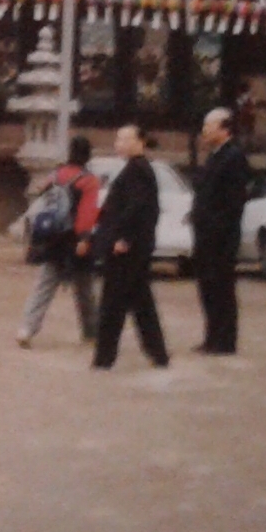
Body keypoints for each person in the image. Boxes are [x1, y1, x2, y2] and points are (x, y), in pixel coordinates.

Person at [91, 124, 170, 371]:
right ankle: (158, 353)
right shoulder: (134, 169)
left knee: (113, 304)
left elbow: (137, 208)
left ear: (139, 142)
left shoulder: (139, 170)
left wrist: (124, 237)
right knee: (141, 302)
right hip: (132, 246)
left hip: (127, 247)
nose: (119, 144)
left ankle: (104, 357)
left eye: (124, 139)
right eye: (118, 139)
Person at [17, 136, 101, 347]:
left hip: (52, 238)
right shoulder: (89, 180)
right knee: (84, 289)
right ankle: (91, 332)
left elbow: (41, 199)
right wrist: (84, 238)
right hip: (74, 239)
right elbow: (87, 213)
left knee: (44, 285)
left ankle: (27, 328)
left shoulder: (55, 175)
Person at [190, 107, 250, 355]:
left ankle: (224, 340)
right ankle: (212, 336)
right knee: (208, 287)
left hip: (221, 237)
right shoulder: (213, 156)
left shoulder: (234, 157)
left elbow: (233, 202)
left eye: (209, 126)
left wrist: (215, 226)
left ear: (224, 129)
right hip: (205, 235)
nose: (204, 131)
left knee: (222, 287)